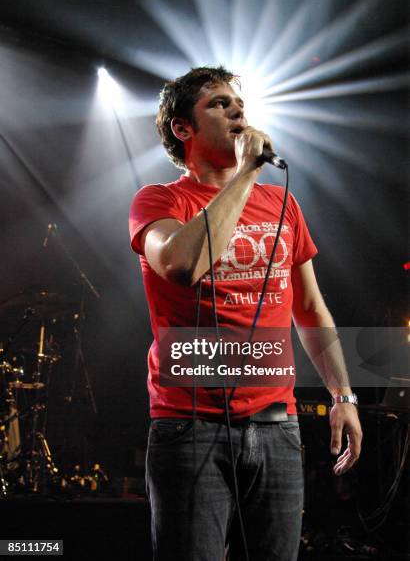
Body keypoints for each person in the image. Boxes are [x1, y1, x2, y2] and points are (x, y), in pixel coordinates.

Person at [129, 66, 362, 561]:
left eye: (239, 103)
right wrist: (246, 174)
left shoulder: (283, 205)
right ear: (182, 128)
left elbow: (311, 308)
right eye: (218, 103)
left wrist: (345, 394)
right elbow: (179, 264)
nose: (237, 110)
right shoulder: (158, 201)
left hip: (278, 425)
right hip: (189, 428)